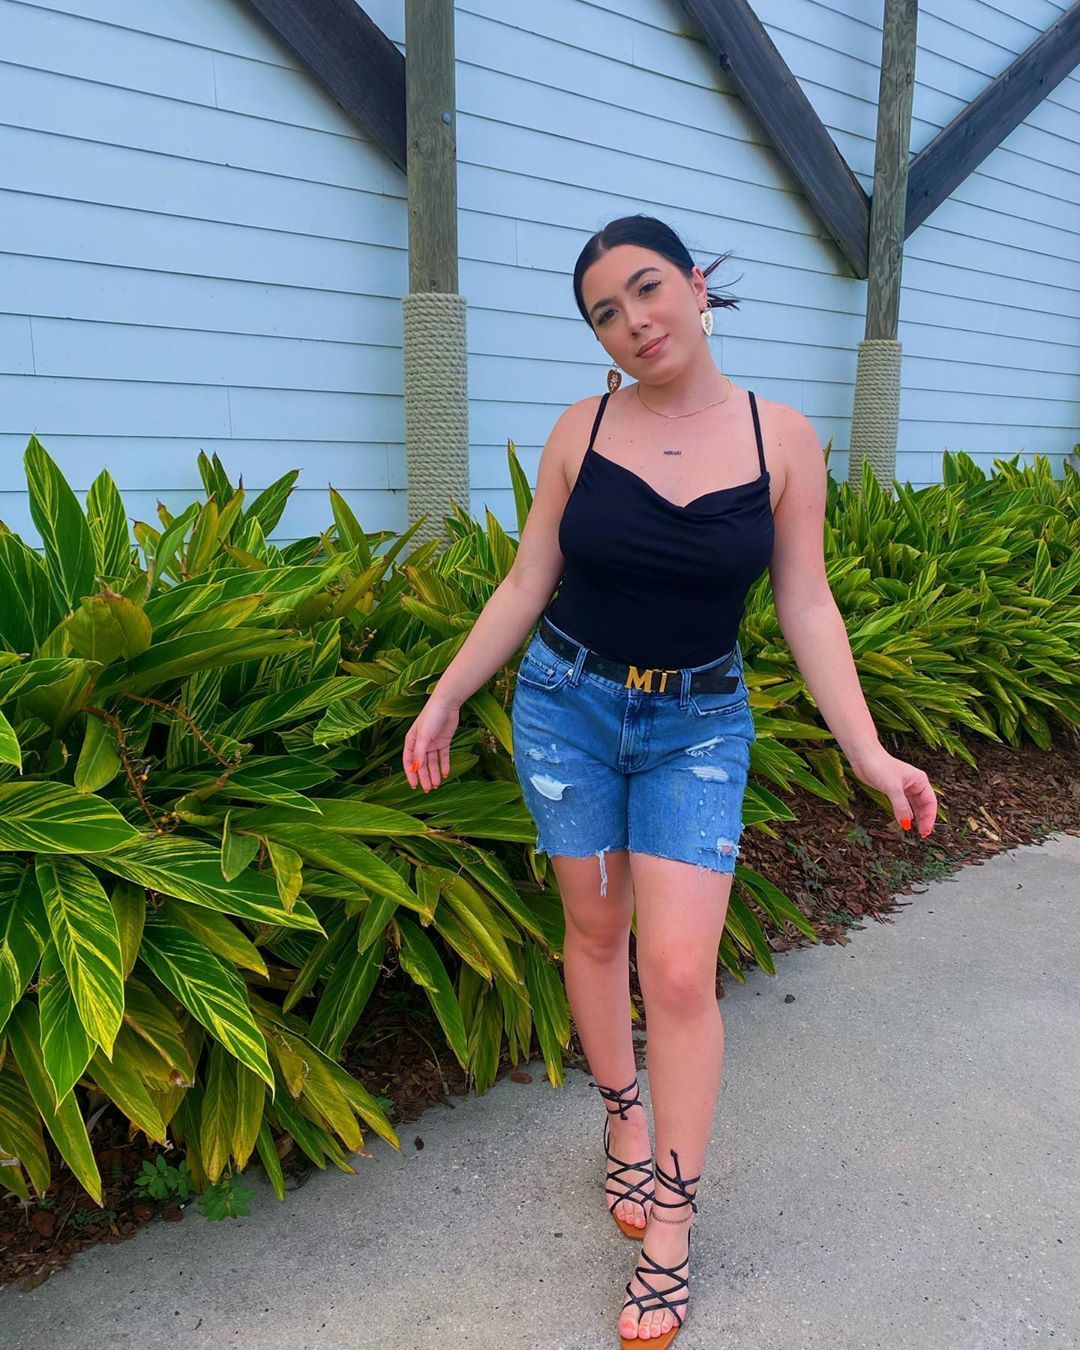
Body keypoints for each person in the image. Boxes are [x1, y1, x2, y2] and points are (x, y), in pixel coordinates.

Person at [402, 214, 937, 1347]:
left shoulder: (783, 438)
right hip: (567, 708)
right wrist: (447, 695)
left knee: (683, 971)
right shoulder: (582, 429)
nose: (634, 321)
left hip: (699, 724)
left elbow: (806, 602)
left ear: (696, 287)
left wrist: (869, 751)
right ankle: (622, 1121)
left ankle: (673, 1229)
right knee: (596, 933)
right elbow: (526, 580)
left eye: (646, 289)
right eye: (606, 311)